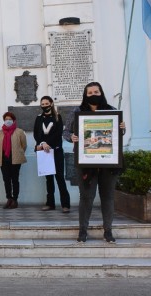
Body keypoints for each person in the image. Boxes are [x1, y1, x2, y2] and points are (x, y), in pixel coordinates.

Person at [63, 82, 126, 243]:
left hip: (108, 162)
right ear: (85, 95)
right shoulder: (77, 111)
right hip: (86, 162)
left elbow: (119, 133)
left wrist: (122, 128)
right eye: (89, 93)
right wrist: (71, 137)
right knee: (86, 197)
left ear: (101, 92)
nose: (93, 95)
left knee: (108, 197)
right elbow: (66, 131)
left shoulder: (111, 111)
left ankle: (108, 231)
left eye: (96, 91)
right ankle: (83, 231)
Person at [33, 96, 71, 213]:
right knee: (48, 179)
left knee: (59, 178)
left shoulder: (57, 117)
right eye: (42, 104)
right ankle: (50, 204)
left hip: (56, 151)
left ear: (51, 103)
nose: (44, 106)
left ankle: (65, 205)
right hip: (44, 152)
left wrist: (47, 143)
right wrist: (42, 143)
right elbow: (36, 133)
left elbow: (58, 133)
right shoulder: (39, 118)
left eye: (46, 103)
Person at [0, 111, 27, 209]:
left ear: (13, 120)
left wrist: (18, 152)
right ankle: (9, 198)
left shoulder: (19, 132)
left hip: (15, 159)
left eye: (10, 119)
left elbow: (24, 145)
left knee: (15, 180)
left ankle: (15, 199)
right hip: (4, 159)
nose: (8, 121)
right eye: (6, 119)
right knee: (6, 180)